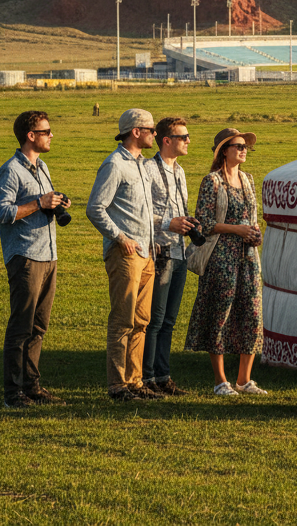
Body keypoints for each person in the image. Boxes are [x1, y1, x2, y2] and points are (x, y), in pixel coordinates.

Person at [86, 108, 191, 402]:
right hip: (126, 253)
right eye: (150, 130)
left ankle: (135, 382)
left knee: (142, 321)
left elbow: (145, 214)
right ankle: (117, 385)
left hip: (147, 254)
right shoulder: (115, 165)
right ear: (136, 132)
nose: (154, 135)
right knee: (122, 320)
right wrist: (120, 238)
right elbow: (95, 208)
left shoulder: (141, 166)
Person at [0, 110, 71, 408]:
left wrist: (56, 202)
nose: (52, 135)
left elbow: (40, 204)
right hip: (25, 257)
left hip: (48, 255)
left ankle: (32, 387)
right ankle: (13, 394)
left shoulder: (42, 166)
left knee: (39, 327)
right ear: (30, 135)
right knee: (21, 327)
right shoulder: (11, 170)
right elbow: (1, 213)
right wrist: (39, 203)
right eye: (46, 131)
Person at [184, 128, 267, 397]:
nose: (244, 149)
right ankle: (221, 381)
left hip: (248, 257)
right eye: (238, 145)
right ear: (224, 150)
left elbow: (251, 216)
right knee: (220, 313)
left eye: (245, 146)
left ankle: (244, 380)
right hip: (221, 256)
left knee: (252, 313)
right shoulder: (212, 182)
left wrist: (254, 232)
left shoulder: (248, 179)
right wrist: (237, 230)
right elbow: (204, 222)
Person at [142, 116, 196, 396]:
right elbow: (137, 213)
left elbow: (178, 209)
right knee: (156, 319)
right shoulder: (148, 169)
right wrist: (168, 223)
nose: (188, 141)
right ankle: (147, 377)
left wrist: (188, 223)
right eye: (182, 136)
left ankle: (163, 376)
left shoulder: (180, 171)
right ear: (166, 140)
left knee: (170, 320)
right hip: (160, 250)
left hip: (179, 250)